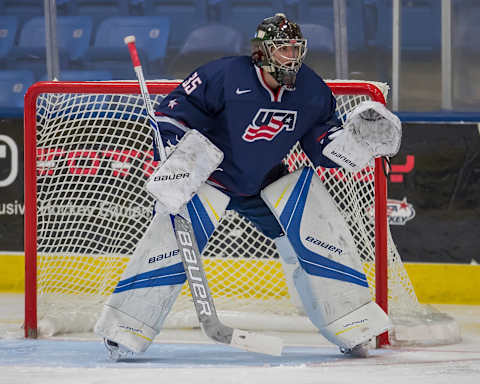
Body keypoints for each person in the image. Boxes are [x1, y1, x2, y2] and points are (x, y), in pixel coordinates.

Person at [95, 13, 401, 360]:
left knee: (318, 236)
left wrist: (355, 143)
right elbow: (173, 113)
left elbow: (321, 145)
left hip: (263, 180)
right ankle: (125, 328)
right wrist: (171, 143)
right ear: (261, 51)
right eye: (283, 49)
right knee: (169, 245)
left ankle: (351, 324)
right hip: (210, 176)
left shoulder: (312, 89)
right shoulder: (224, 75)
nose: (292, 56)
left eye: (295, 48)